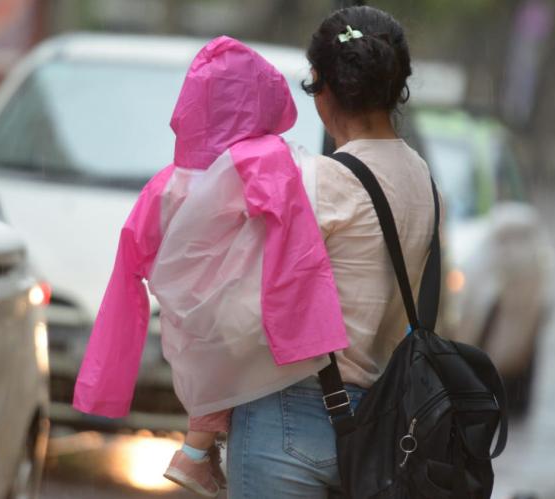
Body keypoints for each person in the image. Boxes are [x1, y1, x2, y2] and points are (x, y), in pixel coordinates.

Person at [72, 36, 350, 497]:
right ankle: (196, 454)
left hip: (191, 325)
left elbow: (129, 265)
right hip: (251, 315)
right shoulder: (260, 160)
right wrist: (308, 326)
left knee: (214, 382)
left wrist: (107, 378)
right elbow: (292, 233)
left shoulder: (165, 181)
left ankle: (196, 454)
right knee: (244, 377)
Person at [225, 6, 441, 498]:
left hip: (285, 416)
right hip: (381, 427)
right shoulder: (428, 186)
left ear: (320, 88)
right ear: (397, 87)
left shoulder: (316, 181)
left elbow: (250, 304)